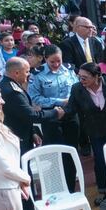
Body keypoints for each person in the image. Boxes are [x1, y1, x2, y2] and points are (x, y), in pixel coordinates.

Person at [0, 57, 63, 210]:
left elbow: (20, 116)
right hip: (16, 142)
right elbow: (30, 114)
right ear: (16, 73)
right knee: (21, 177)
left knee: (23, 175)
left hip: (21, 137)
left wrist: (33, 131)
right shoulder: (11, 91)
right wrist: (55, 113)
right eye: (27, 72)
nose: (29, 75)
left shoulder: (11, 86)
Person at [28, 45, 80, 191]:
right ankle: (56, 187)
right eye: (52, 62)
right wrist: (59, 102)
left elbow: (76, 90)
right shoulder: (37, 74)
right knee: (54, 154)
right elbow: (35, 98)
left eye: (59, 61)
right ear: (45, 59)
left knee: (71, 151)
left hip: (70, 115)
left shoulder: (69, 70)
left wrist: (68, 104)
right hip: (51, 117)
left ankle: (70, 187)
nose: (56, 64)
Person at [65, 63, 106, 205]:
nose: (81, 80)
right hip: (95, 128)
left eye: (85, 77)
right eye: (80, 77)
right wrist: (57, 113)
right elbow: (70, 109)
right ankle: (102, 190)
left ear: (97, 76)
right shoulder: (77, 88)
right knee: (100, 158)